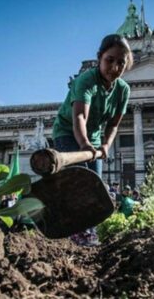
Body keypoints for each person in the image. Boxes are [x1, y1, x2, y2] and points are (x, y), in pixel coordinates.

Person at [51, 34, 133, 246]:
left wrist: (104, 145)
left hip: (94, 139)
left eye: (121, 63)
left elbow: (113, 124)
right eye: (110, 60)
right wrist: (85, 144)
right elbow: (80, 116)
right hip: (68, 132)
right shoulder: (85, 80)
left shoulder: (123, 90)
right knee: (78, 181)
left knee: (95, 187)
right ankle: (74, 233)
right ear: (99, 57)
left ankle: (88, 232)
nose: (114, 67)